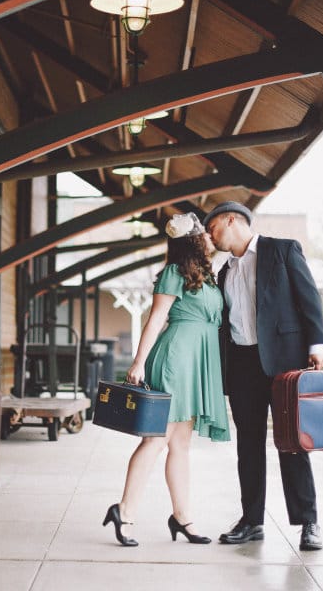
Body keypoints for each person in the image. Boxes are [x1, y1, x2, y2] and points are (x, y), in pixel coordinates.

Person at [203, 201, 323, 551]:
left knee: (292, 443)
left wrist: (318, 344)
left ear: (231, 220)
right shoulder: (224, 272)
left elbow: (309, 299)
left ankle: (309, 522)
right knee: (248, 446)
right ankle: (252, 521)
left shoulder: (282, 250)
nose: (210, 237)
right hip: (243, 366)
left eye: (212, 228)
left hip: (284, 364)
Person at [103, 212, 230, 547]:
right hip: (175, 360)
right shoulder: (174, 273)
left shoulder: (204, 275)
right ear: (193, 240)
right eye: (203, 233)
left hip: (196, 363)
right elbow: (156, 317)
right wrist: (139, 362)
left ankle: (182, 517)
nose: (209, 237)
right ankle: (125, 510)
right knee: (156, 440)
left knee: (180, 445)